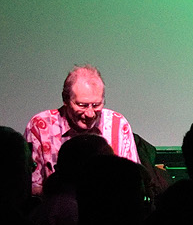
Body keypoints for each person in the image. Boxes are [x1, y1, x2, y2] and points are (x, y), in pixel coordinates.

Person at [25, 65, 139, 195]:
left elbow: (133, 181)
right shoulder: (40, 126)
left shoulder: (118, 124)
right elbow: (30, 186)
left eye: (96, 105)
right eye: (82, 105)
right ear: (65, 100)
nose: (90, 114)